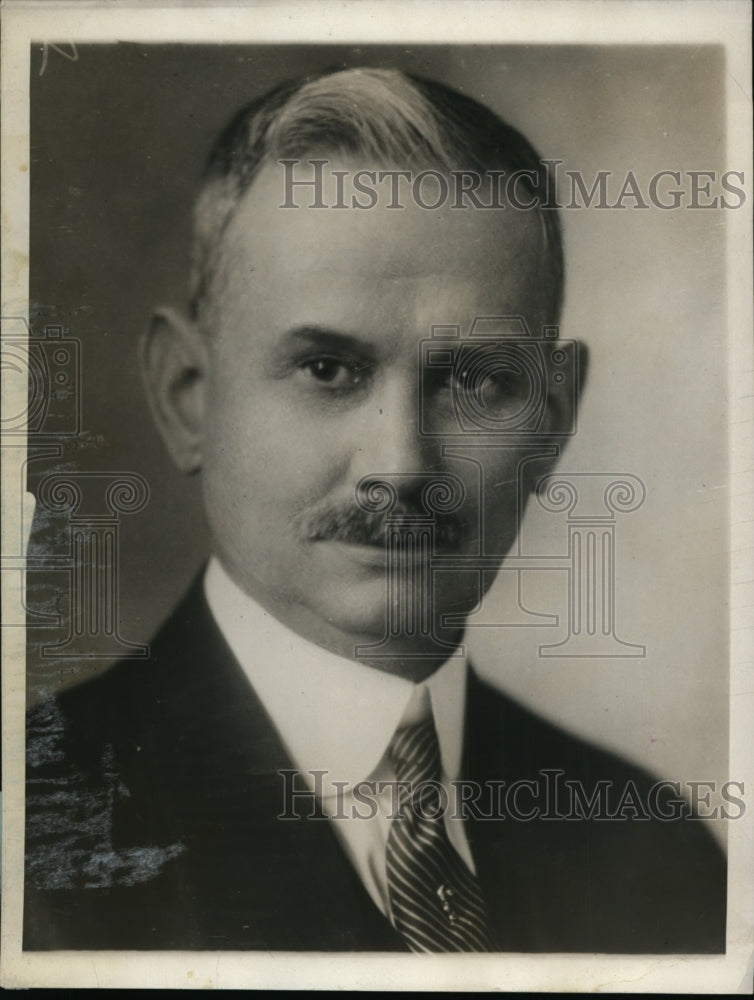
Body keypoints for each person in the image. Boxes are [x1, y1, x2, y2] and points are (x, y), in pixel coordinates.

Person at [24, 67, 726, 953]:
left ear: (551, 419)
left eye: (475, 381)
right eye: (328, 371)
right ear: (188, 396)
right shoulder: (33, 829)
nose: (401, 465)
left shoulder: (658, 855)